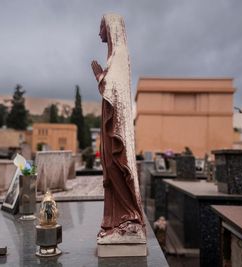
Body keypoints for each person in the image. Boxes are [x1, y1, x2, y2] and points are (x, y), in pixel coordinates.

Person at [91, 13, 145, 242]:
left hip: (117, 124)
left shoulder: (120, 54)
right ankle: (116, 221)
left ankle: (130, 216)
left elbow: (112, 87)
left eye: (101, 27)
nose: (99, 33)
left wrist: (99, 75)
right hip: (109, 120)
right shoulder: (113, 55)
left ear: (110, 27)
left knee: (116, 166)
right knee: (109, 167)